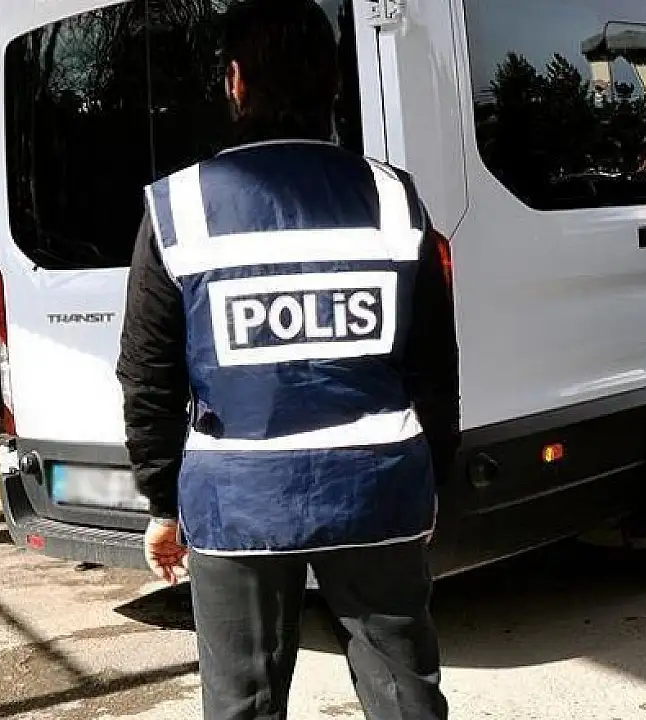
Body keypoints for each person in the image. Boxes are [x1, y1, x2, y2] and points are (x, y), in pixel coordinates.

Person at [115, 1, 459, 717]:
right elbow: (433, 363)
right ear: (334, 84)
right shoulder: (394, 198)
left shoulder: (179, 206)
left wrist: (162, 502)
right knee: (405, 694)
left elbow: (148, 375)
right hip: (378, 487)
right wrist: (434, 479)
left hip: (236, 501)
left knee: (242, 702)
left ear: (235, 81)